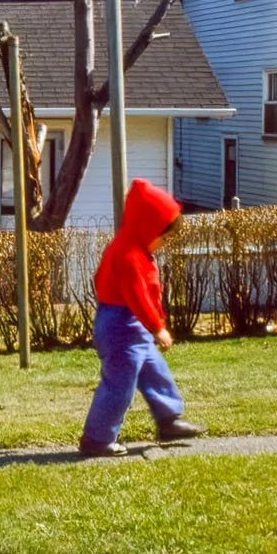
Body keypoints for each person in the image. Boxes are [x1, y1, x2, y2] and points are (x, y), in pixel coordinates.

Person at [79, 178, 205, 455]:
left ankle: (168, 419)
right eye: (164, 236)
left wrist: (152, 322)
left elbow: (115, 284)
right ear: (148, 227)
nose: (164, 243)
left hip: (131, 327)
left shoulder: (134, 249)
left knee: (155, 372)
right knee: (119, 386)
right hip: (121, 327)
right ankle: (97, 439)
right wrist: (157, 327)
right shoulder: (128, 255)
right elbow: (137, 297)